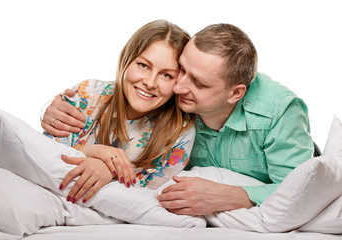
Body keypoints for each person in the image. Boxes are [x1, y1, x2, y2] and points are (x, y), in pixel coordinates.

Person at [42, 23, 314, 215]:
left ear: (236, 93)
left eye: (197, 82)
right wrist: (56, 110)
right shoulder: (171, 95)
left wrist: (233, 196)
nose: (180, 87)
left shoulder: (279, 112)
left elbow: (302, 192)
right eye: (181, 70)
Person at [42, 19, 196, 205]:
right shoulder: (87, 95)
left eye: (166, 75)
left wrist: (109, 171)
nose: (150, 82)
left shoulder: (179, 134)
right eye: (143, 65)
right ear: (126, 59)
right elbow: (43, 156)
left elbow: (147, 200)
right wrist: (92, 152)